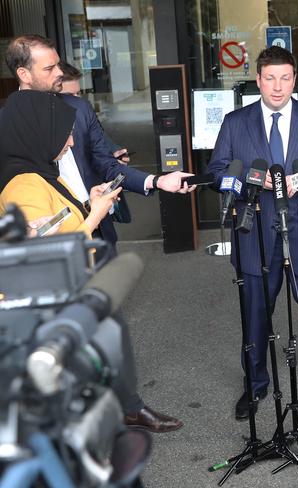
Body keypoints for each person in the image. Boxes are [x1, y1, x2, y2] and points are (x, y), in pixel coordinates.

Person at [0, 89, 183, 433]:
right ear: (39, 132)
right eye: (64, 132)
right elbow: (44, 258)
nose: (70, 141)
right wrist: (94, 217)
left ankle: (124, 411)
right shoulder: (24, 187)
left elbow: (55, 226)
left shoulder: (38, 174)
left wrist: (87, 205)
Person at [208, 46, 298, 419]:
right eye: (269, 78)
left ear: (294, 80)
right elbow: (218, 173)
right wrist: (254, 183)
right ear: (257, 80)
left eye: (285, 78)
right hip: (253, 231)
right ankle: (254, 385)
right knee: (255, 312)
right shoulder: (235, 122)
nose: (277, 86)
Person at [5, 35, 195, 260]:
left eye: (58, 64)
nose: (59, 73)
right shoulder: (8, 127)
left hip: (96, 227)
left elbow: (105, 163)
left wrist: (157, 181)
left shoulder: (79, 109)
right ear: (24, 74)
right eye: (49, 68)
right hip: (51, 249)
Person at [59, 61, 132, 224]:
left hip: (101, 212)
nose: (77, 101)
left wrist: (113, 155)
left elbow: (102, 141)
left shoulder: (84, 112)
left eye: (78, 94)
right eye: (70, 96)